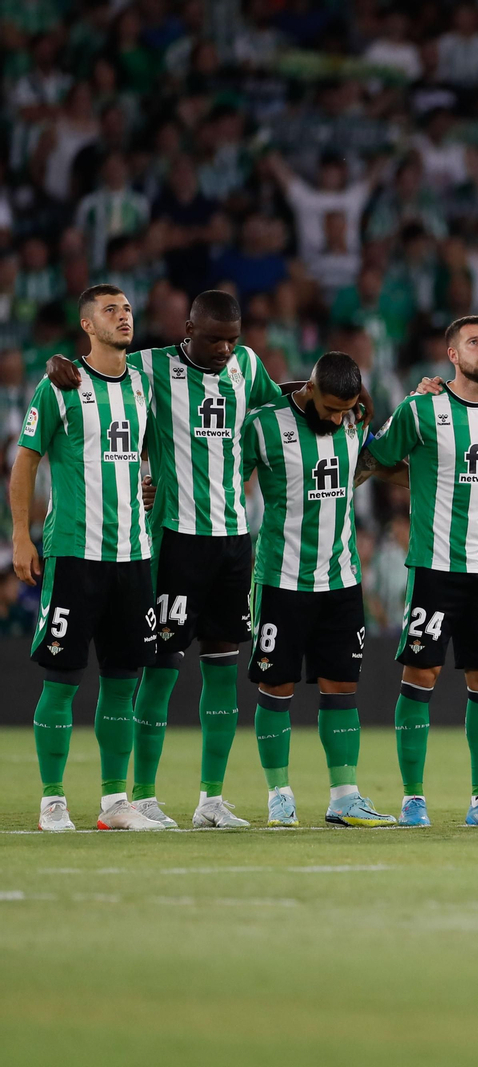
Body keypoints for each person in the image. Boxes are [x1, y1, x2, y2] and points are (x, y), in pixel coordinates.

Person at [45, 290, 375, 829]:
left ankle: (211, 800)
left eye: (233, 338)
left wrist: (345, 396)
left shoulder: (247, 366)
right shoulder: (150, 366)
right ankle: (145, 796)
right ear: (188, 328)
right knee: (160, 671)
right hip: (175, 540)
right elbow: (93, 371)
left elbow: (288, 401)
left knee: (223, 672)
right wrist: (57, 363)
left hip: (232, 543)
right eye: (214, 337)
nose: (225, 348)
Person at [364, 316, 478, 828]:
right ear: (451, 354)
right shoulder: (421, 409)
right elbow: (376, 458)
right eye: (474, 342)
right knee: (421, 675)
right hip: (434, 566)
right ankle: (413, 799)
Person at [12, 285, 160, 831]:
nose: (124, 316)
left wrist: (144, 483)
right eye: (110, 311)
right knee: (63, 678)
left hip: (133, 556)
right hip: (76, 552)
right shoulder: (59, 385)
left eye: (126, 307)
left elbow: (136, 451)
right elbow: (26, 461)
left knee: (123, 681)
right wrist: (21, 537)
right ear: (86, 325)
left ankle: (113, 802)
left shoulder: (144, 384)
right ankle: (53, 799)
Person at [242, 352, 396, 828]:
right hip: (280, 579)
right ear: (308, 390)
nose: (336, 418)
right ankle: (279, 793)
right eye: (330, 408)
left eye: (344, 409)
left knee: (342, 686)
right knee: (276, 687)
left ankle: (344, 796)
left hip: (342, 580)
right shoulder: (263, 425)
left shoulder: (356, 416)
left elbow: (376, 443)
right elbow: (224, 480)